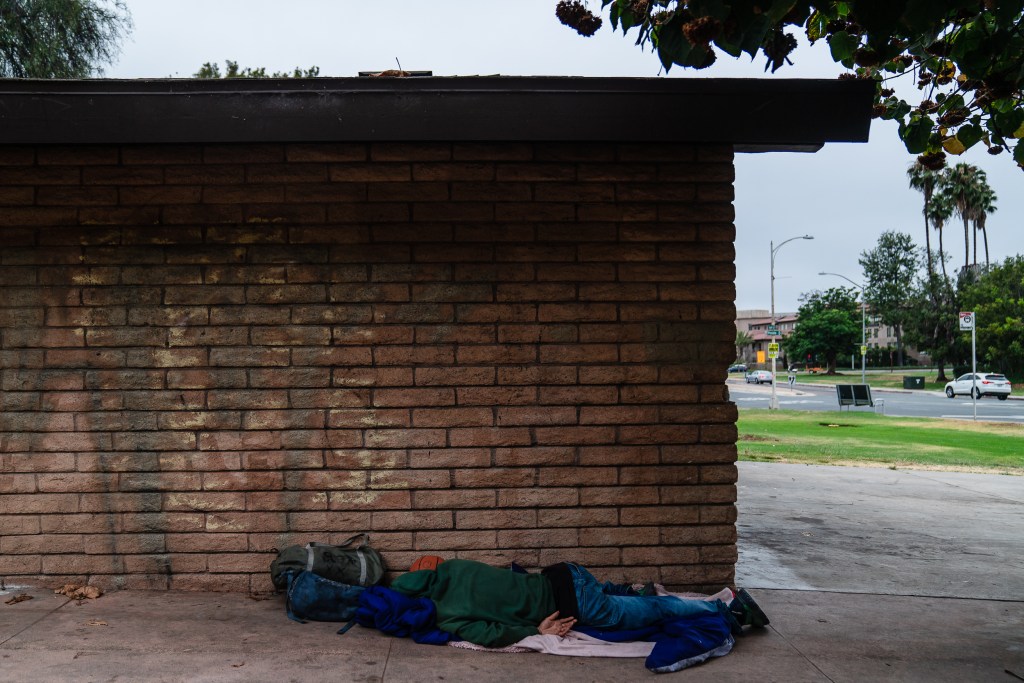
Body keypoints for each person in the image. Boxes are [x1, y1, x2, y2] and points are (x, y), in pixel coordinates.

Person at [389, 558, 768, 648]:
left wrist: (534, 630)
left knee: (653, 613)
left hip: (578, 604)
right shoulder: (452, 567)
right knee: (612, 597)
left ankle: (729, 610)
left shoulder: (446, 618)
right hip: (564, 572)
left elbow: (490, 635)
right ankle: (633, 592)